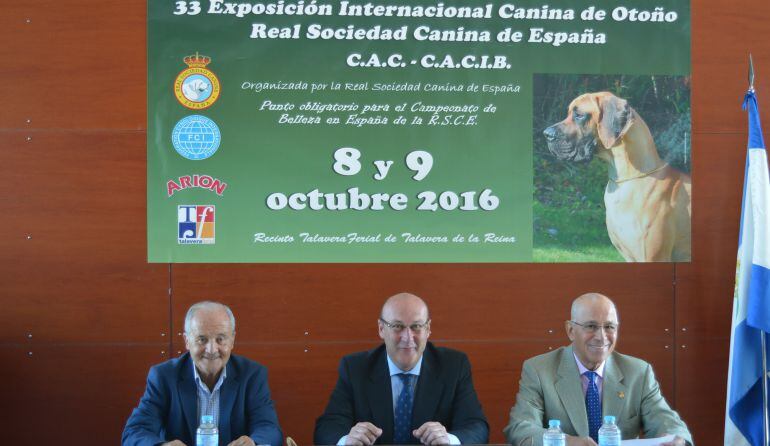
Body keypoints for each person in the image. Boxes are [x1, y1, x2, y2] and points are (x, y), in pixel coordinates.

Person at [503, 293, 693, 446]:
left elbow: (665, 419)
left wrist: (677, 439)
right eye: (591, 326)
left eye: (609, 327)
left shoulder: (638, 372)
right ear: (570, 330)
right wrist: (566, 442)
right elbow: (521, 429)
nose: (601, 337)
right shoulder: (539, 370)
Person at [314, 292, 489, 445]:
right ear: (381, 329)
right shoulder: (355, 368)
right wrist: (347, 440)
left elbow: (476, 426)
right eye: (397, 326)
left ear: (428, 329)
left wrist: (450, 440)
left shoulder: (454, 365)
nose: (407, 337)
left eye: (416, 326)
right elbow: (327, 428)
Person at [122, 301, 283, 446]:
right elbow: (134, 432)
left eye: (220, 339)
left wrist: (254, 443)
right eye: (202, 339)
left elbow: (270, 430)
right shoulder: (164, 376)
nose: (212, 350)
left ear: (232, 340)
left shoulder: (252, 375)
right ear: (187, 341)